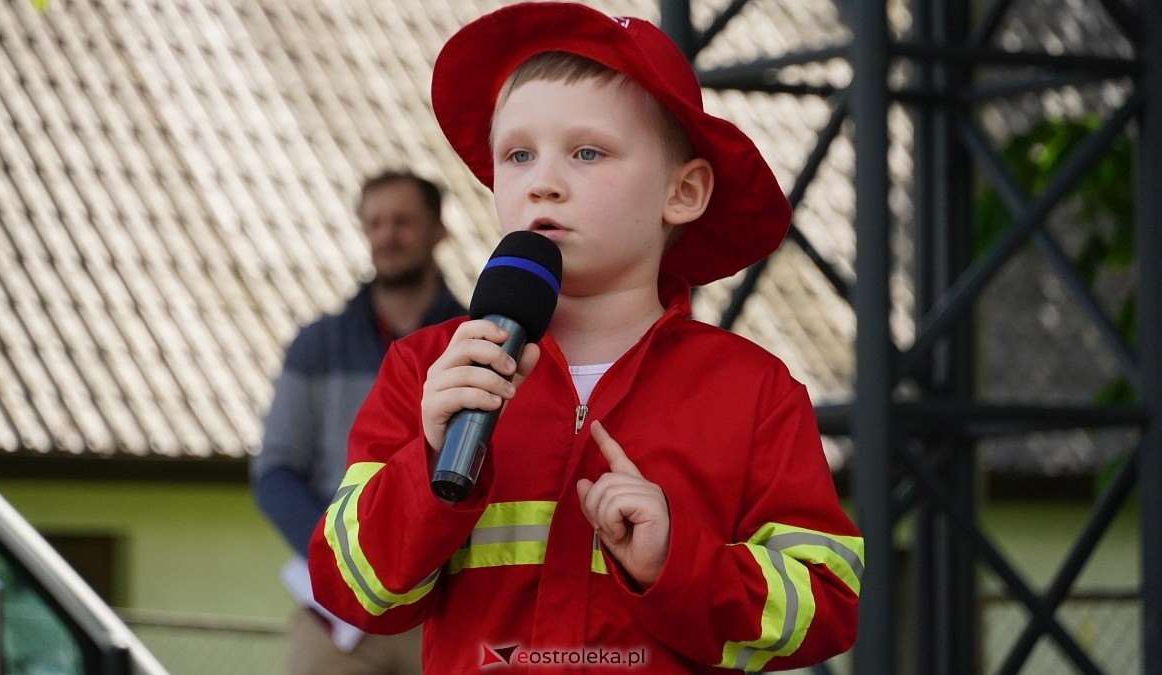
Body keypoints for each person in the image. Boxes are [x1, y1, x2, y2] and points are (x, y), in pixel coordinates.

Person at [308, 4, 864, 673]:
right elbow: (351, 588)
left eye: (587, 152)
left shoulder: (755, 391)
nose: (542, 180)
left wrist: (676, 561)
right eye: (516, 155)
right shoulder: (428, 369)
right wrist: (428, 462)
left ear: (683, 192)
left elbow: (828, 602)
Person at [252, 170, 466, 674]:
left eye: (403, 222)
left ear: (439, 230)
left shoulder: (479, 339)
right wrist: (341, 559)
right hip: (338, 615)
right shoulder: (316, 346)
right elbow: (275, 472)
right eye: (374, 223)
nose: (386, 236)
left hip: (446, 600)